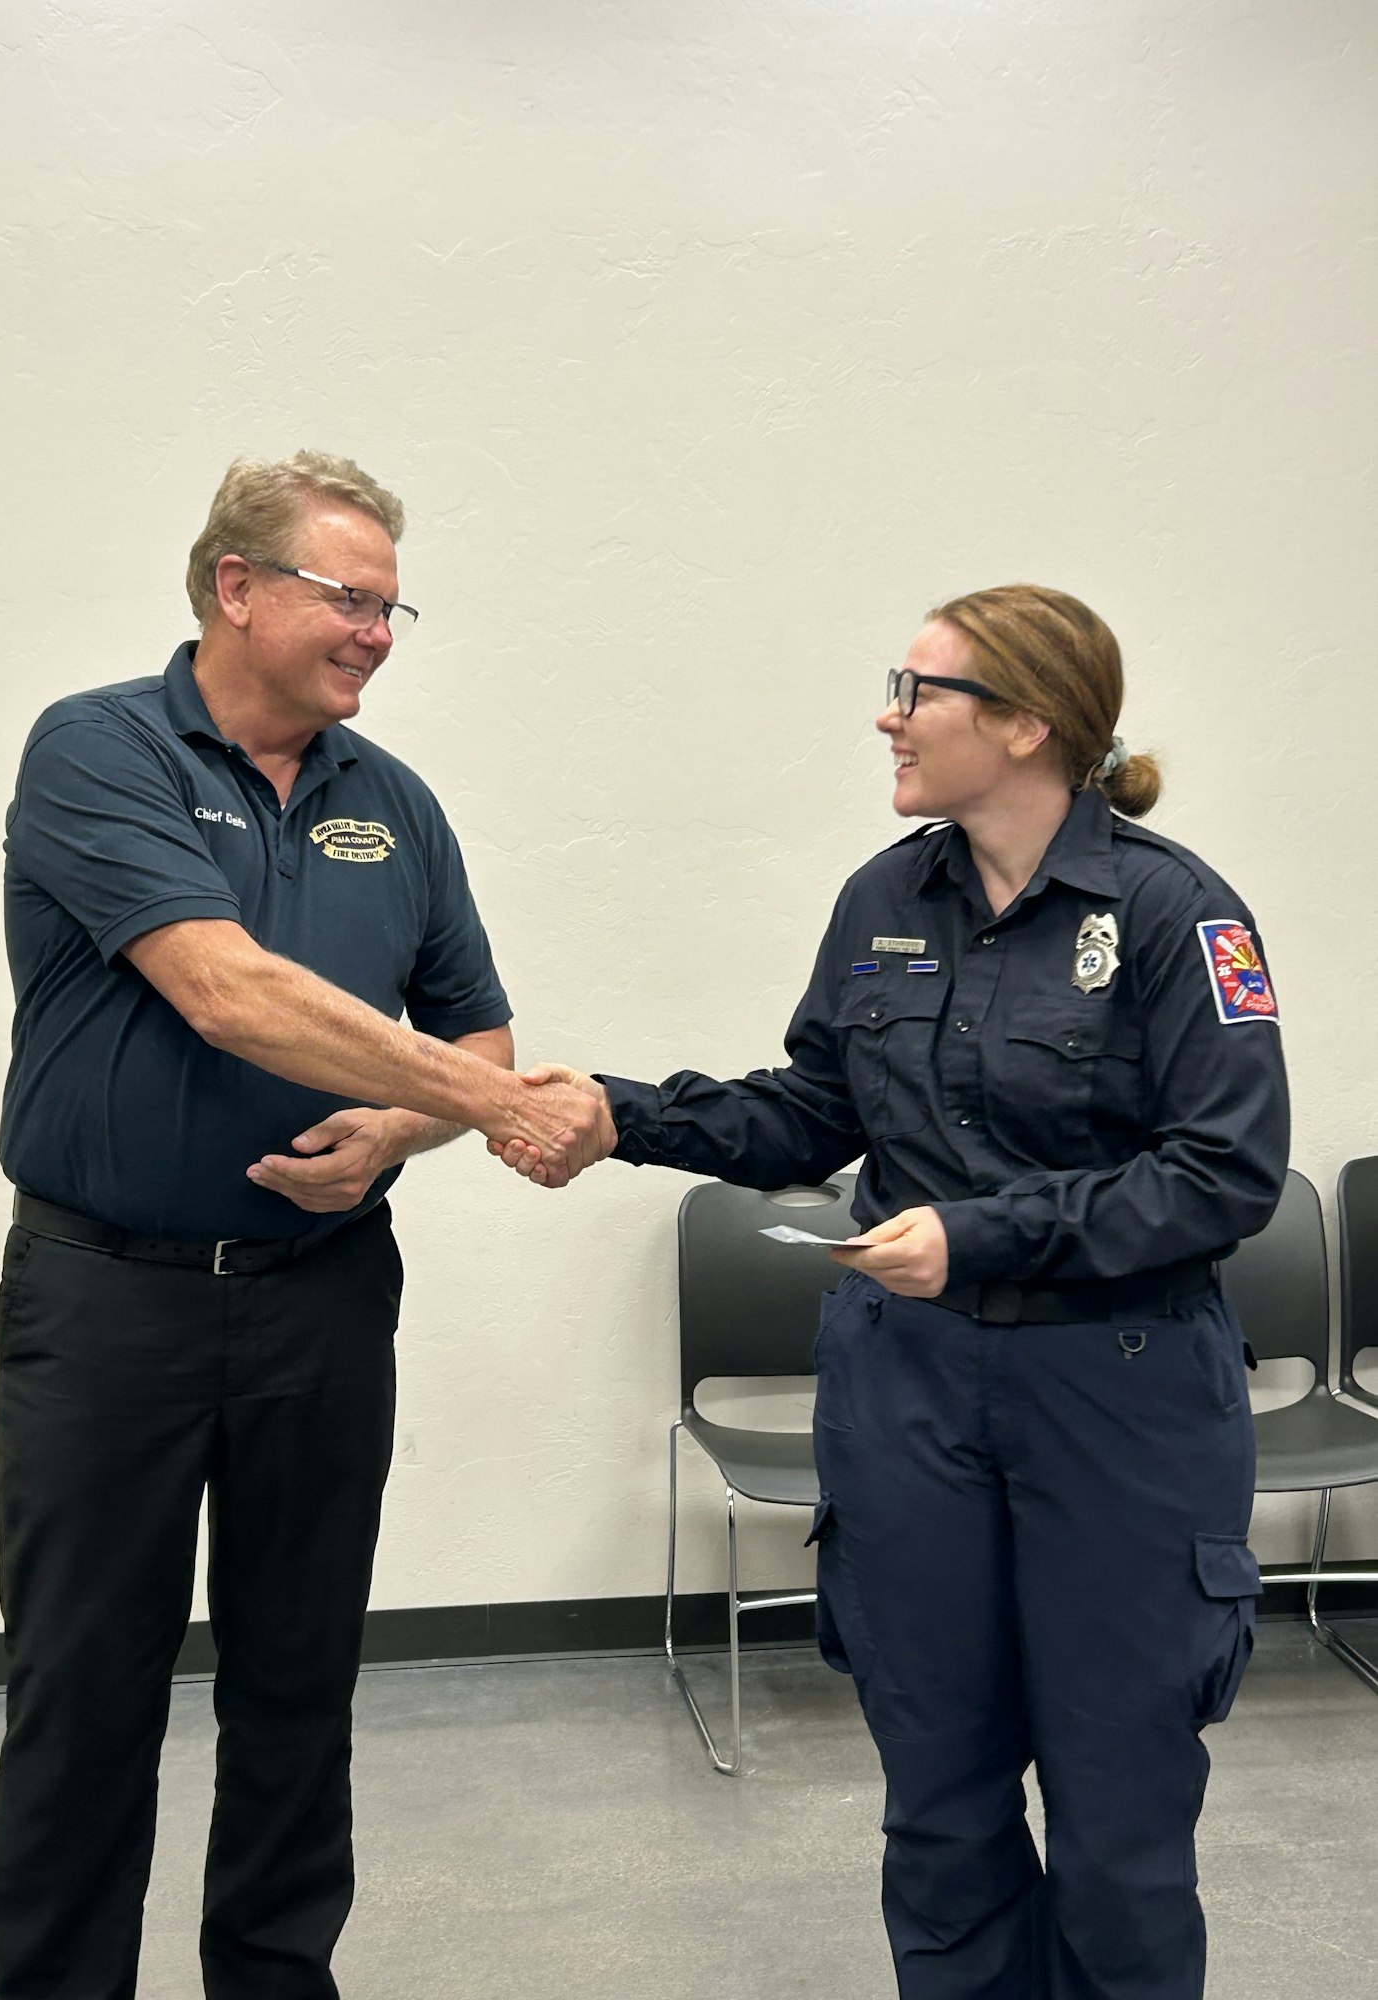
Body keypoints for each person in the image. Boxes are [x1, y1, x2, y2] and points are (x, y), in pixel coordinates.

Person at [497, 584, 1289, 2000]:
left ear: (1030, 722)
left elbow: (1225, 1177)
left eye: (921, 690)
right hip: (909, 1396)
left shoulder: (1175, 913)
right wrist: (623, 1113)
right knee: (939, 1811)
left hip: (1116, 1401)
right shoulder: (885, 897)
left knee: (1118, 1828)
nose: (890, 715)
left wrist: (975, 1237)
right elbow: (812, 1111)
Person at [0, 450, 604, 2000]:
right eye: (349, 598)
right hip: (106, 1301)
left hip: (320, 1298)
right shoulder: (97, 749)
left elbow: (473, 1034)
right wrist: (508, 1114)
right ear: (235, 588)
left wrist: (408, 1127)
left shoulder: (390, 804)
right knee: (86, 1691)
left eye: (394, 608)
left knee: (298, 1677)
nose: (377, 634)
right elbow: (225, 989)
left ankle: (274, 1976)